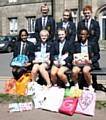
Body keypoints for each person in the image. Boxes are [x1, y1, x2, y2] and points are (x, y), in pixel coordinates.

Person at [77, 5, 100, 89]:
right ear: (83, 14)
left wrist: (90, 44)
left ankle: (95, 83)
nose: (86, 14)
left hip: (92, 46)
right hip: (83, 45)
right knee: (82, 64)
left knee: (91, 64)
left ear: (91, 13)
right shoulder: (80, 23)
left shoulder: (95, 23)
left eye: (88, 13)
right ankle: (84, 82)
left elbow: (97, 35)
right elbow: (78, 34)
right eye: (85, 13)